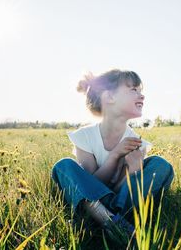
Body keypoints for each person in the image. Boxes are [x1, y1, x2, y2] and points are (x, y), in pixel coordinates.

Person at [51, 69, 174, 240]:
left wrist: (133, 172)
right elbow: (92, 184)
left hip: (121, 202)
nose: (142, 95)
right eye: (133, 90)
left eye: (141, 90)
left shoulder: (136, 142)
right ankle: (111, 221)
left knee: (161, 165)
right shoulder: (85, 136)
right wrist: (115, 155)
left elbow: (119, 191)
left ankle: (109, 220)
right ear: (109, 97)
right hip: (93, 202)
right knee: (63, 166)